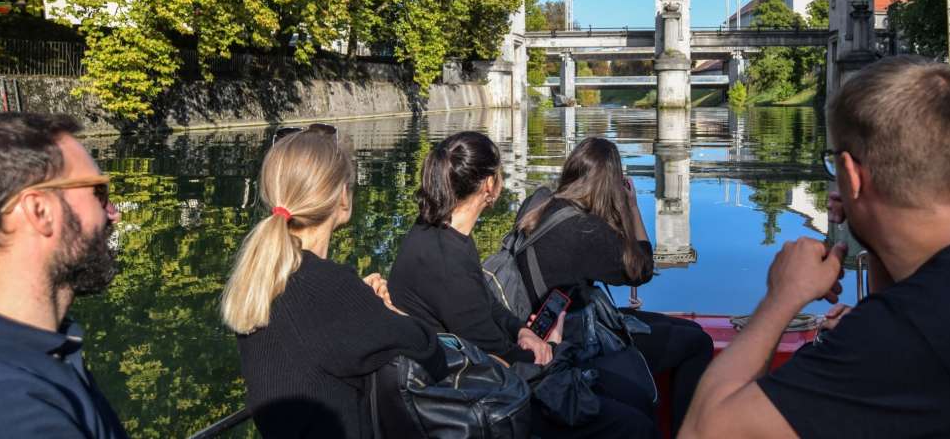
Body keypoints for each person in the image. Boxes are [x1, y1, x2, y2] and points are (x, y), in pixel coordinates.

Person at [681, 56, 950, 438]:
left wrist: (783, 296)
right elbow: (912, 306)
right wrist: (875, 236)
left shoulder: (913, 332)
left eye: (835, 166)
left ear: (850, 173)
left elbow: (705, 430)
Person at [388, 131, 657, 439]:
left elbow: (484, 303)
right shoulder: (448, 262)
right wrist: (552, 348)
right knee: (636, 424)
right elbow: (497, 356)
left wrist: (521, 330)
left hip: (461, 379)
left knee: (625, 401)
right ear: (490, 184)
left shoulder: (435, 233)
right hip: (472, 401)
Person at [222, 124, 447, 439]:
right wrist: (385, 309)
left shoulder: (261, 277)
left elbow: (318, 333)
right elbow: (430, 354)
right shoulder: (330, 288)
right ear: (342, 196)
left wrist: (362, 303)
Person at [513, 136, 714, 435]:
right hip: (575, 340)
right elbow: (642, 269)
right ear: (610, 184)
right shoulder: (585, 229)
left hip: (551, 322)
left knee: (690, 330)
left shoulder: (539, 204)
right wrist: (630, 207)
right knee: (698, 343)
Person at [0, 112, 128, 438]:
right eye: (99, 193)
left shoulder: (41, 351)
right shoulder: (11, 409)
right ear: (40, 211)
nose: (114, 213)